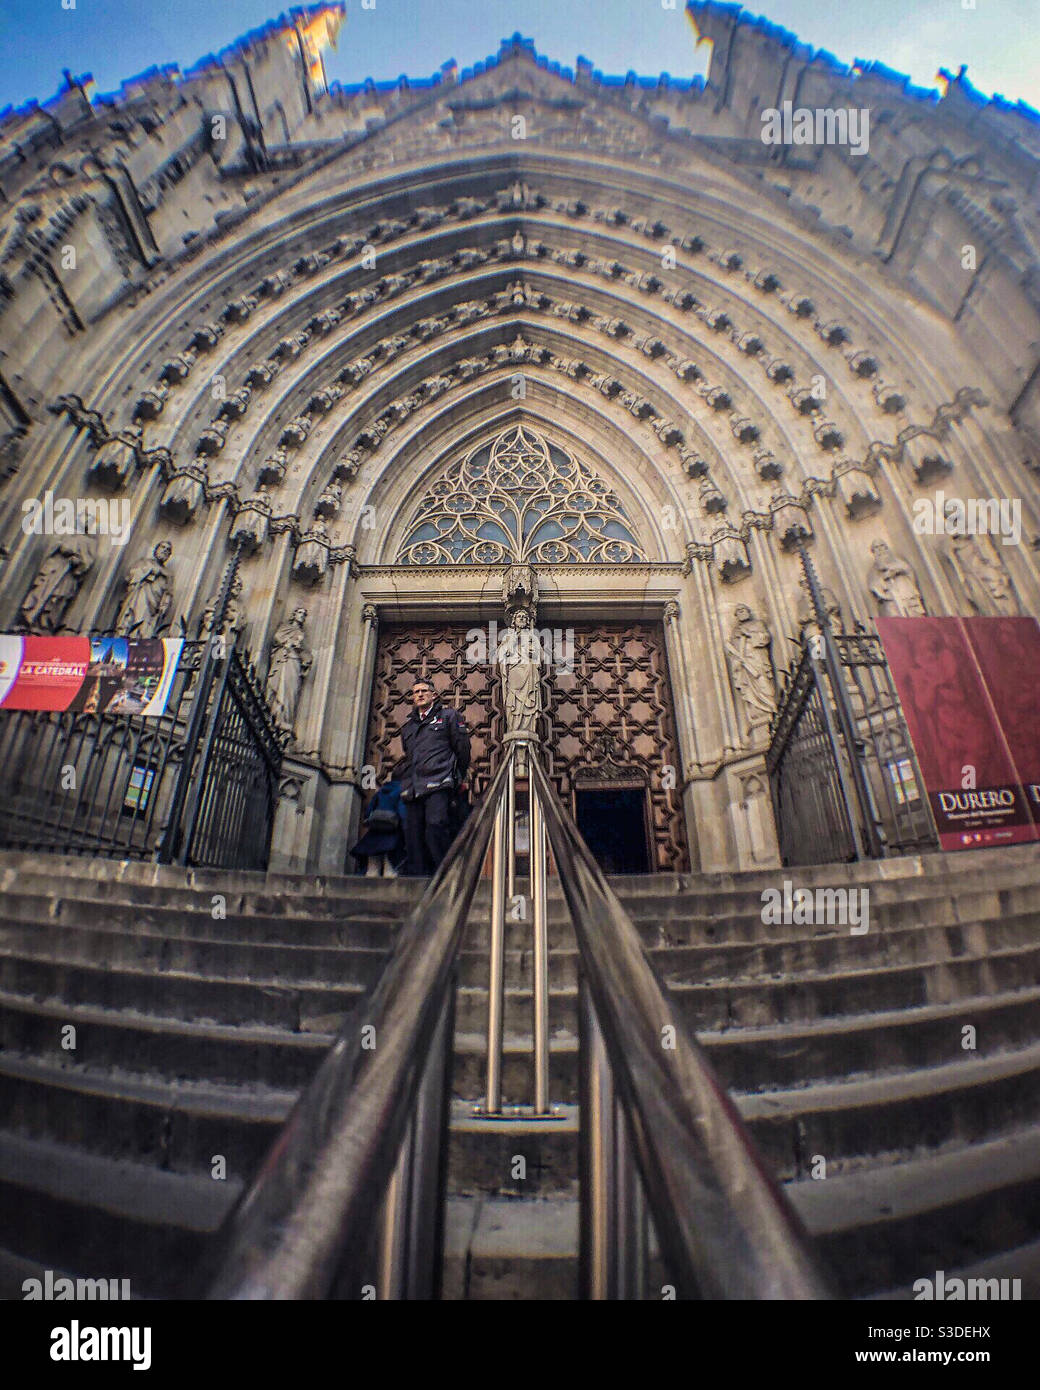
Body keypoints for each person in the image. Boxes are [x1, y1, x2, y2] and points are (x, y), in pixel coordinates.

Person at [398, 678, 471, 876]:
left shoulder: (449, 716)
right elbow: (409, 753)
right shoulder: (408, 728)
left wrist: (458, 775)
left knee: (436, 824)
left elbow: (462, 749)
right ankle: (418, 877)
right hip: (414, 785)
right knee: (413, 833)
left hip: (440, 780)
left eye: (424, 691)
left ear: (433, 695)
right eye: (416, 692)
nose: (419, 695)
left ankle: (445, 873)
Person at [350, 771, 406, 877]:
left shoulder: (380, 792)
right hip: (391, 830)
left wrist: (368, 819)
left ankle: (370, 878)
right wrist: (404, 823)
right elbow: (401, 809)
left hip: (375, 830)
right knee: (389, 869)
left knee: (372, 868)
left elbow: (369, 809)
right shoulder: (400, 790)